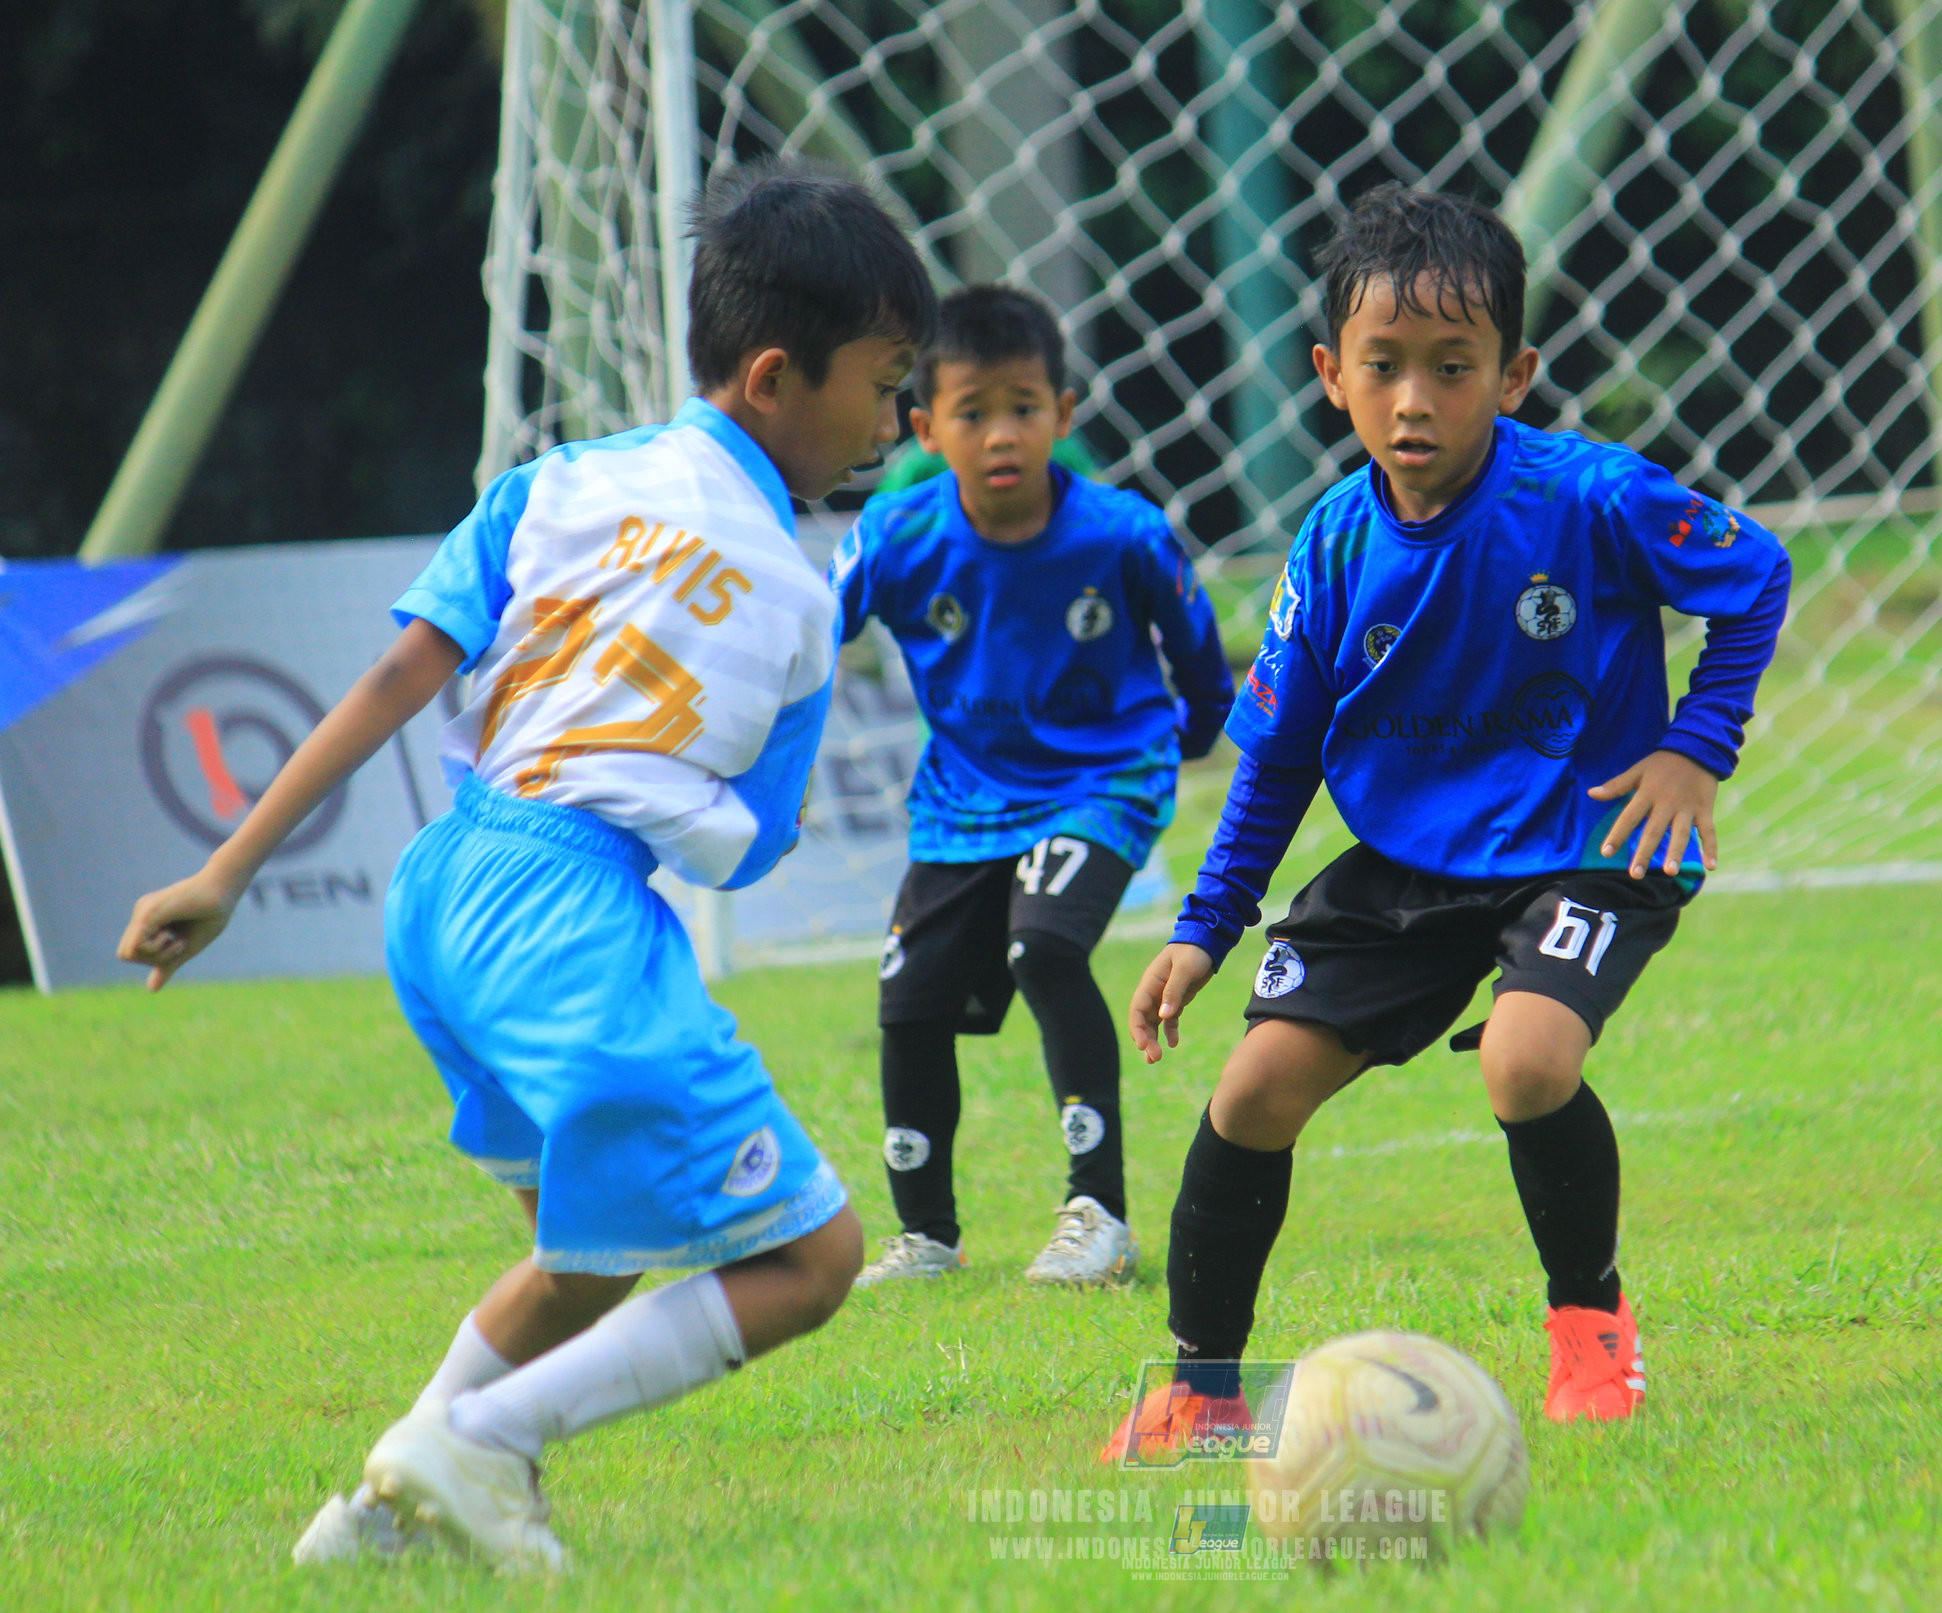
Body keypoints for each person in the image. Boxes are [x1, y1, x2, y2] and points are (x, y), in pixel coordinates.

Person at [117, 159, 936, 1572]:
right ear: (771, 377)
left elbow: (397, 676)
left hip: (442, 891)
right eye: (882, 384)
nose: (893, 422)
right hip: (569, 909)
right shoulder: (801, 602)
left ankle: (379, 1520)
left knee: (586, 1255)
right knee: (812, 1259)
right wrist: (733, 812)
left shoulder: (557, 483)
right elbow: (750, 848)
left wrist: (229, 869)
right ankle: (480, 1445)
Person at [1106, 185, 1791, 1455]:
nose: (1414, 399)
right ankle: (1204, 1393)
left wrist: (1695, 747)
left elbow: (1755, 576)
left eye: (1452, 366)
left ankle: (1590, 1325)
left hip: (1590, 840)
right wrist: (1204, 926)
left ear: (1513, 375)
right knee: (1252, 1089)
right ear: (1331, 375)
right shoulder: (1330, 547)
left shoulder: (1589, 496)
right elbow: (1277, 757)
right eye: (1383, 367)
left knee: (1525, 1060)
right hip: (1410, 857)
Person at [832, 285, 1233, 1288]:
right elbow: (801, 643)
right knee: (908, 1000)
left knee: (1043, 947)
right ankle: (927, 1235)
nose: (1001, 434)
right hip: (962, 800)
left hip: (1102, 780)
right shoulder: (893, 535)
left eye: (1022, 407)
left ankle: (1099, 1215)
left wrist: (1178, 751)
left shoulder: (1123, 534)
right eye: (972, 413)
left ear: (1062, 412)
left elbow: (1203, 668)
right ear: (926, 428)